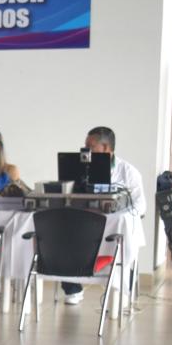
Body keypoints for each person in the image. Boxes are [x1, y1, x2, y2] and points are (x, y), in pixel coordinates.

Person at [62, 125, 146, 304]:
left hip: (115, 226)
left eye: (90, 147)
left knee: (125, 240)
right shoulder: (79, 168)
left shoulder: (128, 172)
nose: (85, 150)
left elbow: (141, 206)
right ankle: (72, 288)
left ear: (106, 148)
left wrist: (120, 212)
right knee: (64, 230)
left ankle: (121, 292)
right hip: (85, 223)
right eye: (85, 145)